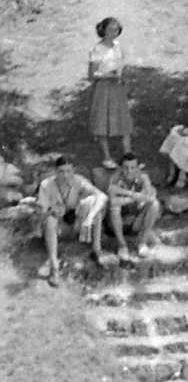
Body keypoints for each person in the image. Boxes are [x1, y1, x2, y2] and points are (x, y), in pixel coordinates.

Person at [35, 156, 109, 285]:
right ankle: (54, 267)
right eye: (61, 171)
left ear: (73, 170)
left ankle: (96, 251)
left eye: (68, 171)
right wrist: (54, 211)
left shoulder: (79, 181)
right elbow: (42, 211)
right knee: (50, 220)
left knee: (94, 207)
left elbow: (102, 196)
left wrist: (89, 217)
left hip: (75, 224)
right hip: (56, 228)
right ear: (55, 171)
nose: (65, 175)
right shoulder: (46, 185)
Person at [87, 17, 133, 170]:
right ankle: (107, 157)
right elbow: (92, 74)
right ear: (103, 31)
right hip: (103, 87)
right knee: (102, 122)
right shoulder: (97, 50)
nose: (114, 33)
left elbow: (121, 65)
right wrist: (109, 76)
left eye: (116, 30)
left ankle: (128, 157)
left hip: (117, 87)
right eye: (110, 30)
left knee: (123, 121)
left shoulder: (118, 46)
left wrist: (121, 76)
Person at [106, 152, 161, 261]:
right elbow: (113, 200)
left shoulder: (143, 178)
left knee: (155, 205)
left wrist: (137, 197)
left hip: (136, 220)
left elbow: (150, 196)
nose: (129, 171)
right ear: (121, 168)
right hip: (118, 221)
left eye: (133, 167)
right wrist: (133, 196)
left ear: (137, 168)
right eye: (126, 168)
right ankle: (122, 246)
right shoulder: (115, 178)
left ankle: (142, 243)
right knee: (115, 209)